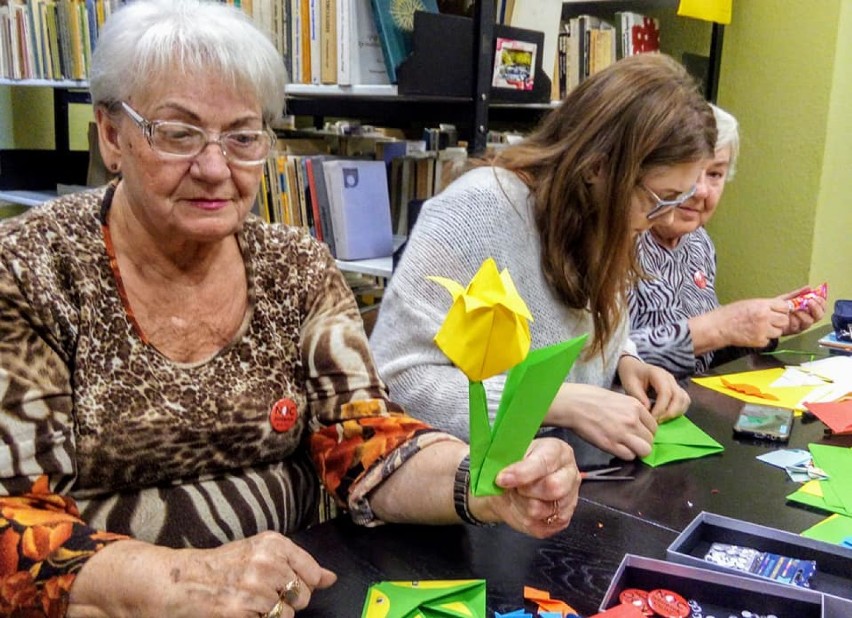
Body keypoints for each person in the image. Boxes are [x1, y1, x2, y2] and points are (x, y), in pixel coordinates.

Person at [0, 2, 581, 616]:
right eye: (178, 133)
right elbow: (14, 519)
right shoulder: (31, 272)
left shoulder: (295, 266)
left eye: (243, 137)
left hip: (297, 594)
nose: (215, 168)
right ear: (111, 135)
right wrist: (177, 581)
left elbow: (367, 441)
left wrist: (485, 481)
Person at [370, 54, 709, 464]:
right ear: (598, 168)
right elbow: (397, 385)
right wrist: (554, 401)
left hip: (557, 485)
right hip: (463, 498)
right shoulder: (478, 210)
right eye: (660, 198)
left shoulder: (605, 217)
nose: (667, 218)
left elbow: (580, 340)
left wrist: (625, 361)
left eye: (680, 199)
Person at [628, 105, 826, 378]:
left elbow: (705, 357)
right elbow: (596, 363)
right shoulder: (620, 239)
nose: (700, 191)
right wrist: (718, 327)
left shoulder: (699, 243)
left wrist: (763, 326)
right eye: (689, 171)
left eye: (715, 174)